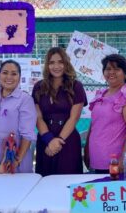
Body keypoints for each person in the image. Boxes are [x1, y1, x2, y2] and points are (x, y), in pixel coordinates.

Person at [84, 54, 126, 173]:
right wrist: (87, 150)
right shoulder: (101, 94)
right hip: (98, 162)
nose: (111, 72)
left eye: (116, 69)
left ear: (125, 73)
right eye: (108, 69)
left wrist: (124, 160)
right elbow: (95, 125)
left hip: (120, 165)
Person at [33, 47, 87, 176]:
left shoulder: (76, 86)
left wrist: (58, 141)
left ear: (66, 63)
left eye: (60, 62)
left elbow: (74, 118)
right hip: (45, 141)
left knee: (68, 183)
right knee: (44, 183)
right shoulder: (38, 86)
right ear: (47, 65)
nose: (56, 66)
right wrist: (49, 140)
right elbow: (38, 117)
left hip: (67, 141)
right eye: (52, 62)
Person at [0, 60, 37, 173]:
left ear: (19, 77)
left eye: (14, 74)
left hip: (14, 156)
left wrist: (17, 160)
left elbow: (27, 135)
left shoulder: (25, 100)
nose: (9, 77)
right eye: (5, 72)